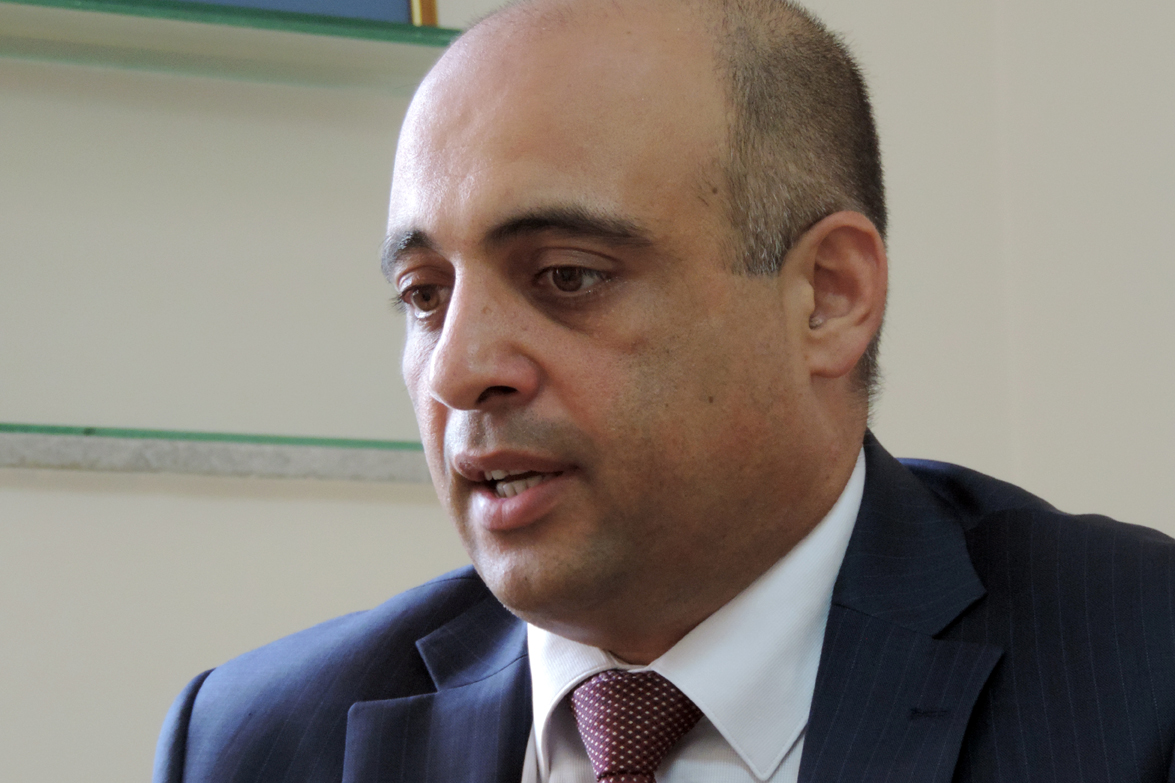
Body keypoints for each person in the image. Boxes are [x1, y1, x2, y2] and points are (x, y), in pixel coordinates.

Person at [153, 1, 1175, 781]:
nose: (460, 371)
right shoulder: (256, 742)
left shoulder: (1139, 676)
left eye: (566, 276)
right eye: (424, 296)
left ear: (827, 296)